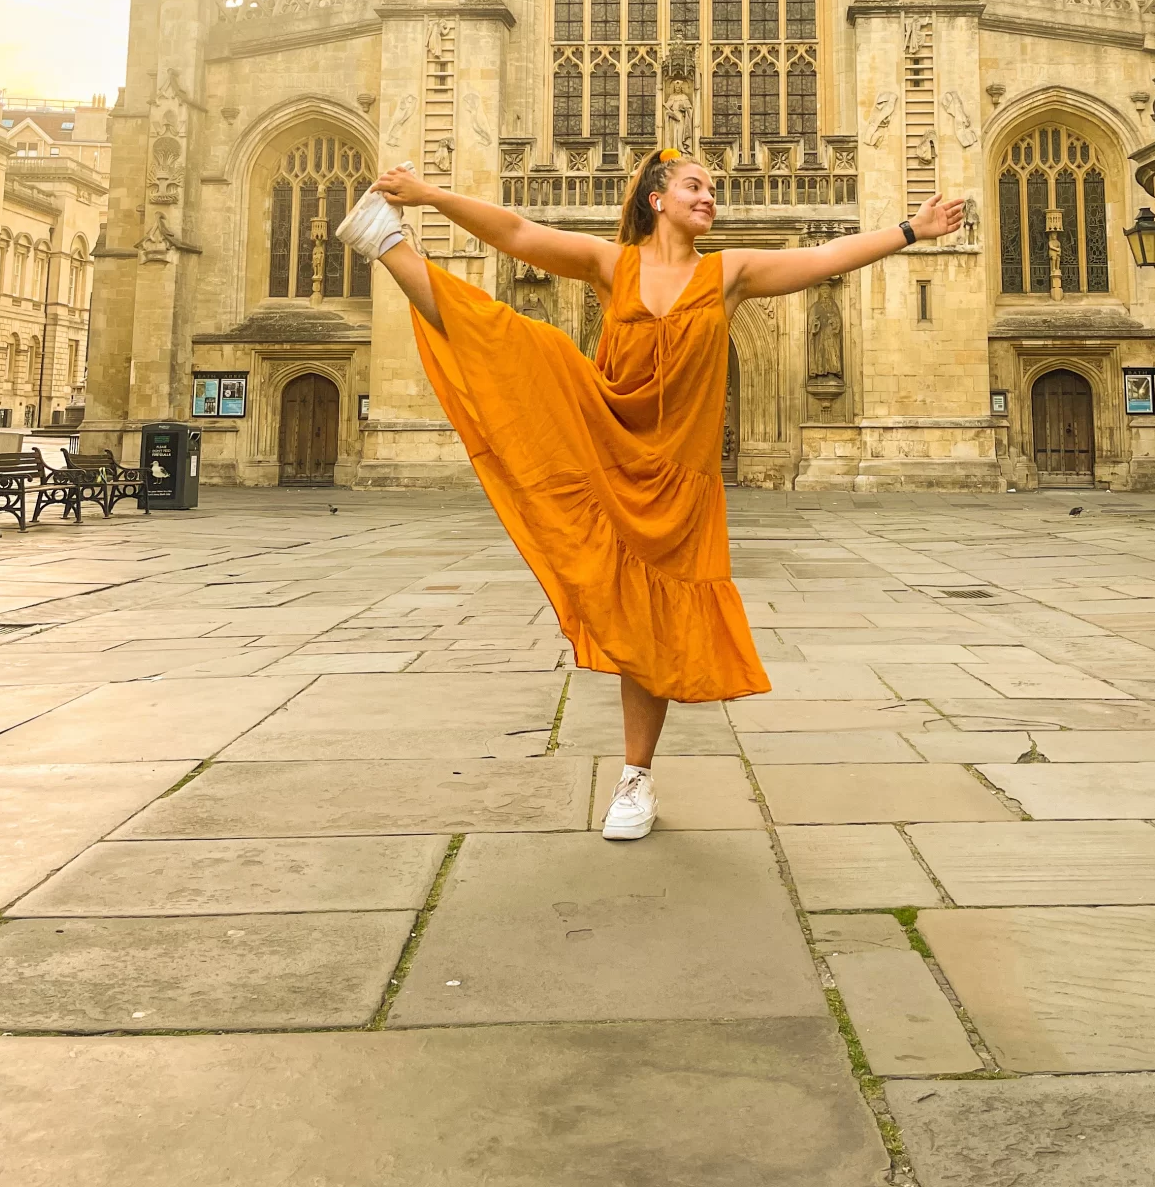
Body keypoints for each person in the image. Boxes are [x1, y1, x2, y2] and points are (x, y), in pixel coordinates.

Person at [338, 148, 964, 841]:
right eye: (696, 186)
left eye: (714, 189)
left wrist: (911, 229)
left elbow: (827, 258)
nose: (710, 197)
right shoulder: (615, 267)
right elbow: (517, 235)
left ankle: (636, 776)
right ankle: (386, 241)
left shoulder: (731, 274)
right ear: (657, 199)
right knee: (510, 339)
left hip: (679, 481)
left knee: (657, 626)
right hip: (609, 438)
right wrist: (428, 195)